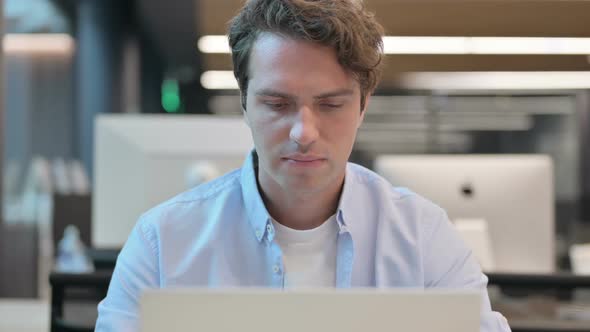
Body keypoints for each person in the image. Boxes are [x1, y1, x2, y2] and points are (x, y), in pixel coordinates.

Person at [95, 0, 511, 331]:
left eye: (330, 104)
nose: (303, 132)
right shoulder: (162, 242)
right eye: (277, 104)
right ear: (243, 103)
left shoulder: (424, 238)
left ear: (363, 106)